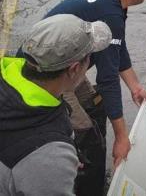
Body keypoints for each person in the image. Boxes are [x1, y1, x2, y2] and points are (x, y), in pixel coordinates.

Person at [43, 0, 146, 195]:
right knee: (86, 134)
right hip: (49, 77)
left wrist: (134, 86)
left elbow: (117, 48)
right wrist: (122, 137)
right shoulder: (111, 13)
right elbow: (107, 78)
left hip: (69, 67)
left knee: (96, 105)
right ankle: (87, 187)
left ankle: (97, 170)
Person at [0, 14, 112, 196]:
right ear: (75, 69)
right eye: (89, 56)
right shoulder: (50, 155)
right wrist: (56, 167)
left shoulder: (8, 75)